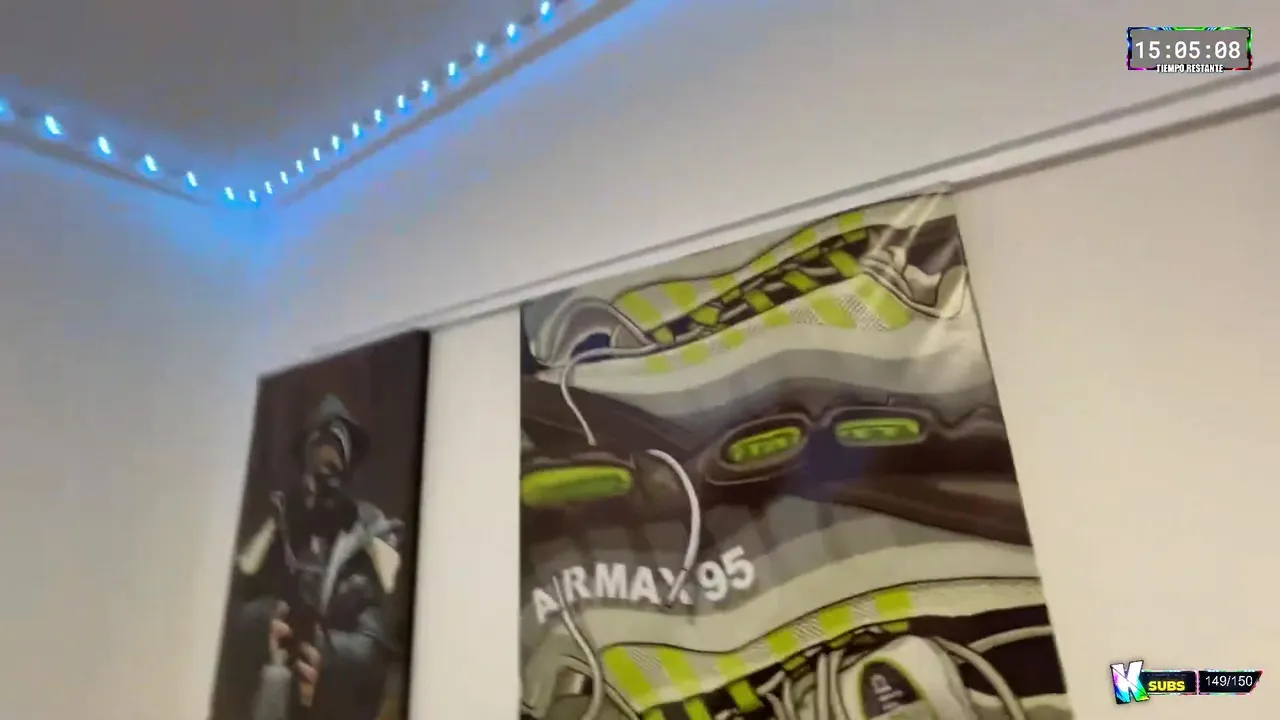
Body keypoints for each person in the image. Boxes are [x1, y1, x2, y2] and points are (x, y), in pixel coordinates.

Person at [211, 395, 403, 720]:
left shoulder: (371, 540)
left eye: (333, 468)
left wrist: (328, 660)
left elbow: (377, 644)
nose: (321, 483)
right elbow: (229, 610)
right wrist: (263, 626)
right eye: (315, 466)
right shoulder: (276, 528)